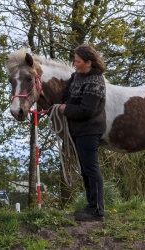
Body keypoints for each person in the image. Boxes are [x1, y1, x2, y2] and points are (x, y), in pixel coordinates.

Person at [58, 44, 106, 222]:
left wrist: (65, 109)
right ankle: (91, 206)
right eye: (74, 60)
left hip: (90, 130)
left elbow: (87, 110)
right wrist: (58, 107)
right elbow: (66, 97)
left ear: (89, 62)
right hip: (78, 131)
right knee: (85, 170)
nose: (75, 64)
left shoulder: (95, 81)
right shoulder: (76, 77)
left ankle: (97, 209)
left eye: (78, 61)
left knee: (91, 169)